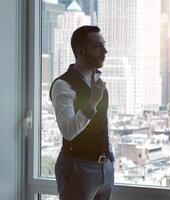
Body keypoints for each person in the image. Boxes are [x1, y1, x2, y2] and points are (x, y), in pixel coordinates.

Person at [50, 25, 114, 200]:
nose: (105, 51)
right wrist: (92, 101)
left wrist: (109, 159)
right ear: (80, 51)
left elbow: (101, 123)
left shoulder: (98, 80)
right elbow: (68, 131)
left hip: (105, 168)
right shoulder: (63, 85)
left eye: (104, 45)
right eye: (97, 47)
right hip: (78, 168)